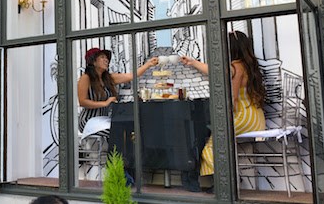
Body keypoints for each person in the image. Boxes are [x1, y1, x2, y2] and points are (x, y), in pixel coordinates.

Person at [180, 30, 266, 186]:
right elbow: (217, 72)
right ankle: (222, 183)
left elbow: (231, 99)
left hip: (243, 117)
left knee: (211, 146)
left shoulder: (234, 66)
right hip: (256, 117)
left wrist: (222, 119)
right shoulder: (247, 65)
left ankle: (228, 181)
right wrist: (193, 62)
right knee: (218, 140)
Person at [78, 48, 159, 132]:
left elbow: (131, 76)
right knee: (115, 132)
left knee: (126, 129)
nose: (106, 60)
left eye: (107, 58)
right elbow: (82, 102)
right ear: (93, 61)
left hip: (103, 120)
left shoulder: (108, 78)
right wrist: (105, 103)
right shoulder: (86, 78)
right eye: (102, 57)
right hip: (88, 121)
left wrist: (148, 64)